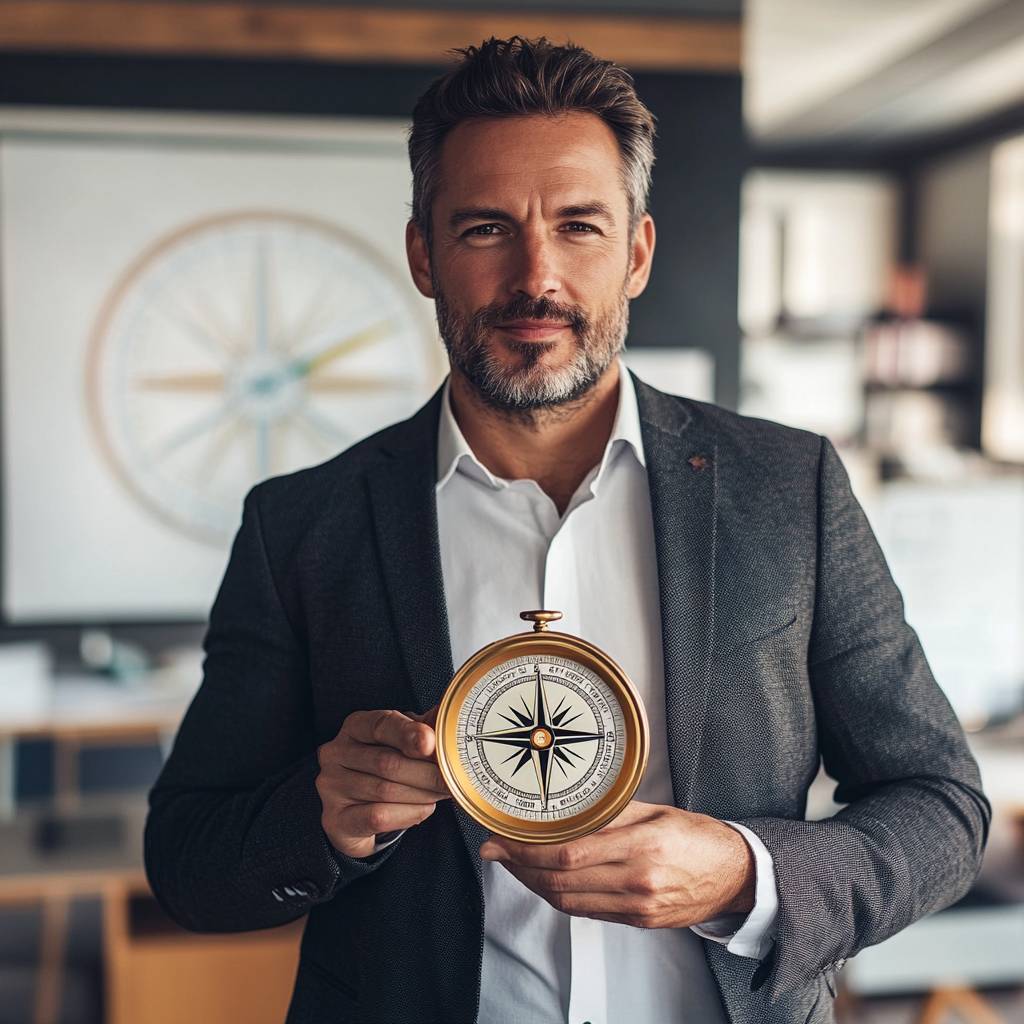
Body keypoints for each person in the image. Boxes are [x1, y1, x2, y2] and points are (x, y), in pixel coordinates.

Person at [144, 35, 990, 1024]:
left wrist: (743, 875)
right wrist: (320, 820)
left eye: (579, 225)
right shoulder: (301, 525)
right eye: (484, 228)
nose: (535, 274)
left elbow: (941, 808)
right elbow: (189, 861)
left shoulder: (787, 485)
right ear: (424, 254)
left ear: (635, 252)